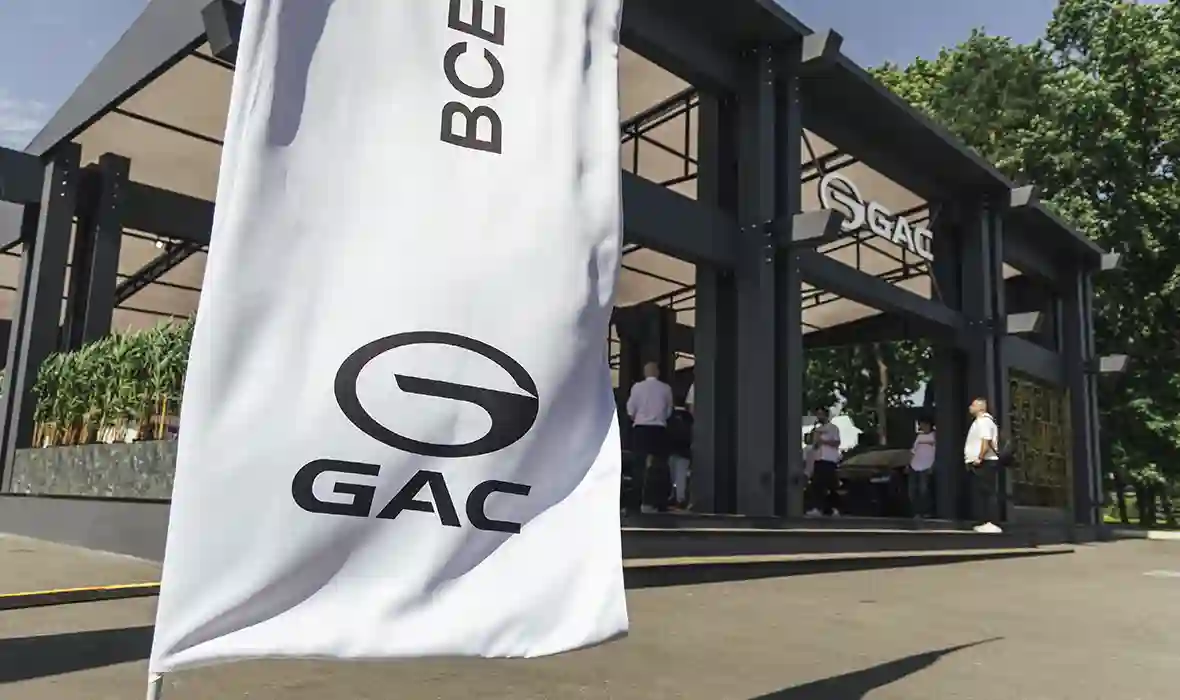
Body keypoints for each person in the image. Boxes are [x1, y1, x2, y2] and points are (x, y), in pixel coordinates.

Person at [626, 362, 674, 513]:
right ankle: (659, 502)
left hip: (641, 429)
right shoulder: (666, 388)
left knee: (638, 466)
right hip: (659, 429)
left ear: (644, 373)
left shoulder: (637, 387)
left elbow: (630, 410)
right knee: (659, 466)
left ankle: (636, 502)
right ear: (657, 372)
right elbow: (669, 411)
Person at [964, 397, 1002, 533]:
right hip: (981, 461)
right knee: (982, 492)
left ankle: (990, 522)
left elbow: (986, 441)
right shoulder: (979, 422)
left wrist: (979, 458)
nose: (970, 407)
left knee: (987, 492)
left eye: (973, 405)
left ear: (980, 407)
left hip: (985, 461)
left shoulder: (984, 421)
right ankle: (984, 521)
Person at [805, 407, 842, 517]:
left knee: (830, 485)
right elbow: (813, 444)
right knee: (817, 484)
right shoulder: (817, 429)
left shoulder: (833, 428)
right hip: (818, 458)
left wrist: (823, 441)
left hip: (829, 459)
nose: (819, 417)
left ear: (826, 416)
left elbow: (836, 442)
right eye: (818, 414)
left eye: (821, 414)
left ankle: (833, 508)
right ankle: (818, 508)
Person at [666, 401, 694, 510]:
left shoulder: (670, 417)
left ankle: (673, 497)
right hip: (684, 451)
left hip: (672, 449)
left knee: (673, 476)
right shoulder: (689, 418)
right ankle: (680, 499)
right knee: (681, 476)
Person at [908, 417, 936, 518]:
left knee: (924, 490)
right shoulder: (919, 437)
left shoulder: (934, 436)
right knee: (912, 491)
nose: (922, 427)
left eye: (924, 425)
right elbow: (913, 451)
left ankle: (926, 512)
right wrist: (909, 463)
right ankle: (916, 512)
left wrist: (933, 466)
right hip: (915, 466)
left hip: (926, 466)